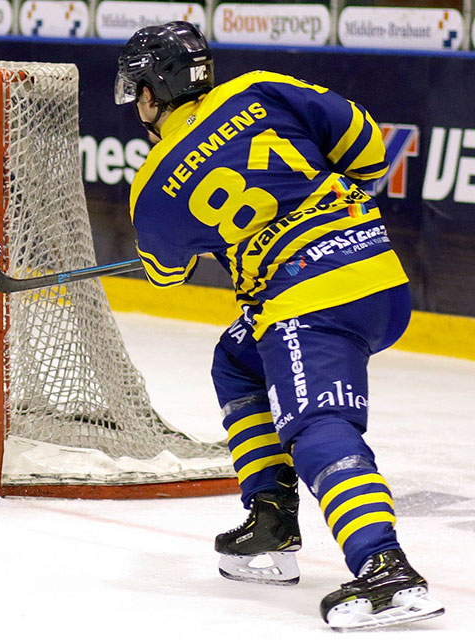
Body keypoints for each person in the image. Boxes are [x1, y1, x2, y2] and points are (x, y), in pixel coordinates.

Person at [114, 21, 444, 631]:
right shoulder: (262, 89)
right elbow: (369, 147)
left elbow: (166, 273)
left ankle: (386, 569)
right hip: (379, 277)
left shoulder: (154, 185)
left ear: (156, 90)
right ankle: (271, 520)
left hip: (307, 305)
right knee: (237, 357)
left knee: (319, 426)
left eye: (139, 91)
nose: (138, 104)